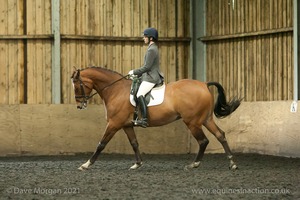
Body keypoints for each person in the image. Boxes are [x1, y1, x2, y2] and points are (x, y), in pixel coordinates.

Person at [128, 27, 163, 128]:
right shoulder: (152, 48)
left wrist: (134, 71)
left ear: (151, 38)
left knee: (140, 94)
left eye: (145, 36)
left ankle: (144, 119)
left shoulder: (152, 49)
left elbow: (147, 67)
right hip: (148, 75)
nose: (144, 38)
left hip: (151, 77)